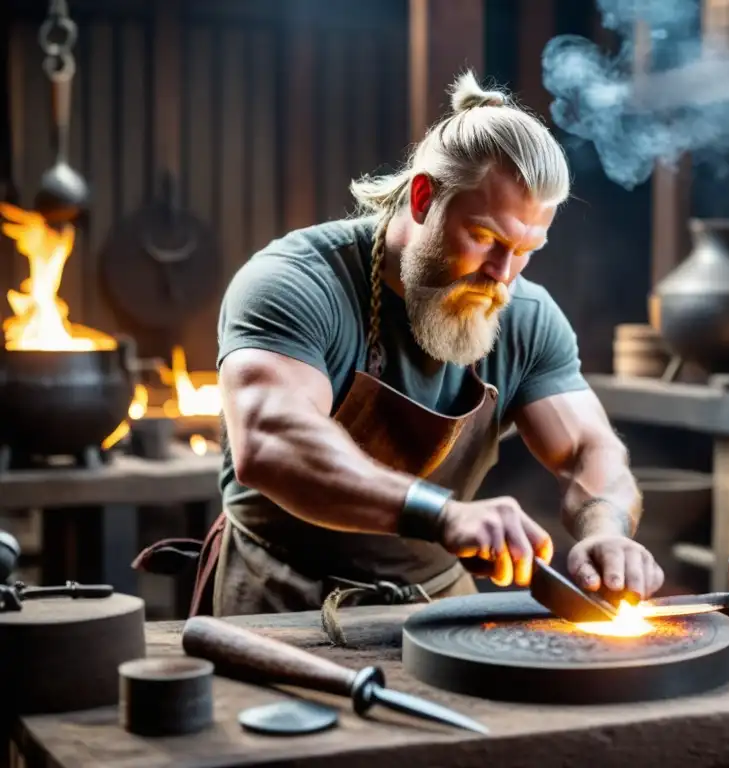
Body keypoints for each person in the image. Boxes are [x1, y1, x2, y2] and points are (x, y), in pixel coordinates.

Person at [139, 72, 663, 621]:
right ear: (422, 198)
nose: (503, 275)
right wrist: (441, 516)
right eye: (486, 238)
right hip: (279, 595)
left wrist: (606, 532)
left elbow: (589, 448)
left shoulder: (527, 317)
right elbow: (272, 442)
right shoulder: (294, 281)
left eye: (526, 249)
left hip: (434, 598)